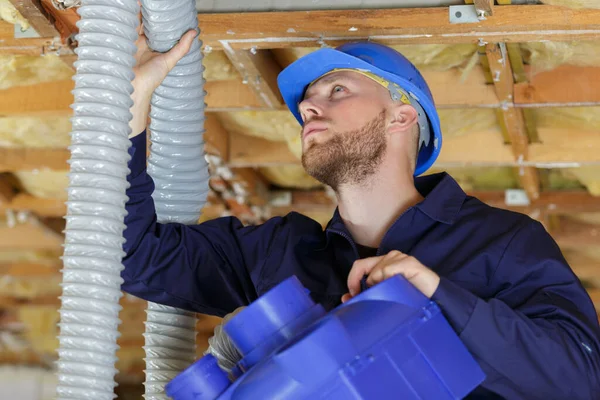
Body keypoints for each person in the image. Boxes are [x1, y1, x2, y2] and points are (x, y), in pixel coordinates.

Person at [121, 29, 600, 399]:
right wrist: (130, 100)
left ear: (401, 116)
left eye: (337, 91)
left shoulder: (501, 242)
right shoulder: (281, 254)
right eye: (309, 100)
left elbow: (579, 379)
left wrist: (436, 294)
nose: (308, 105)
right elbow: (133, 255)